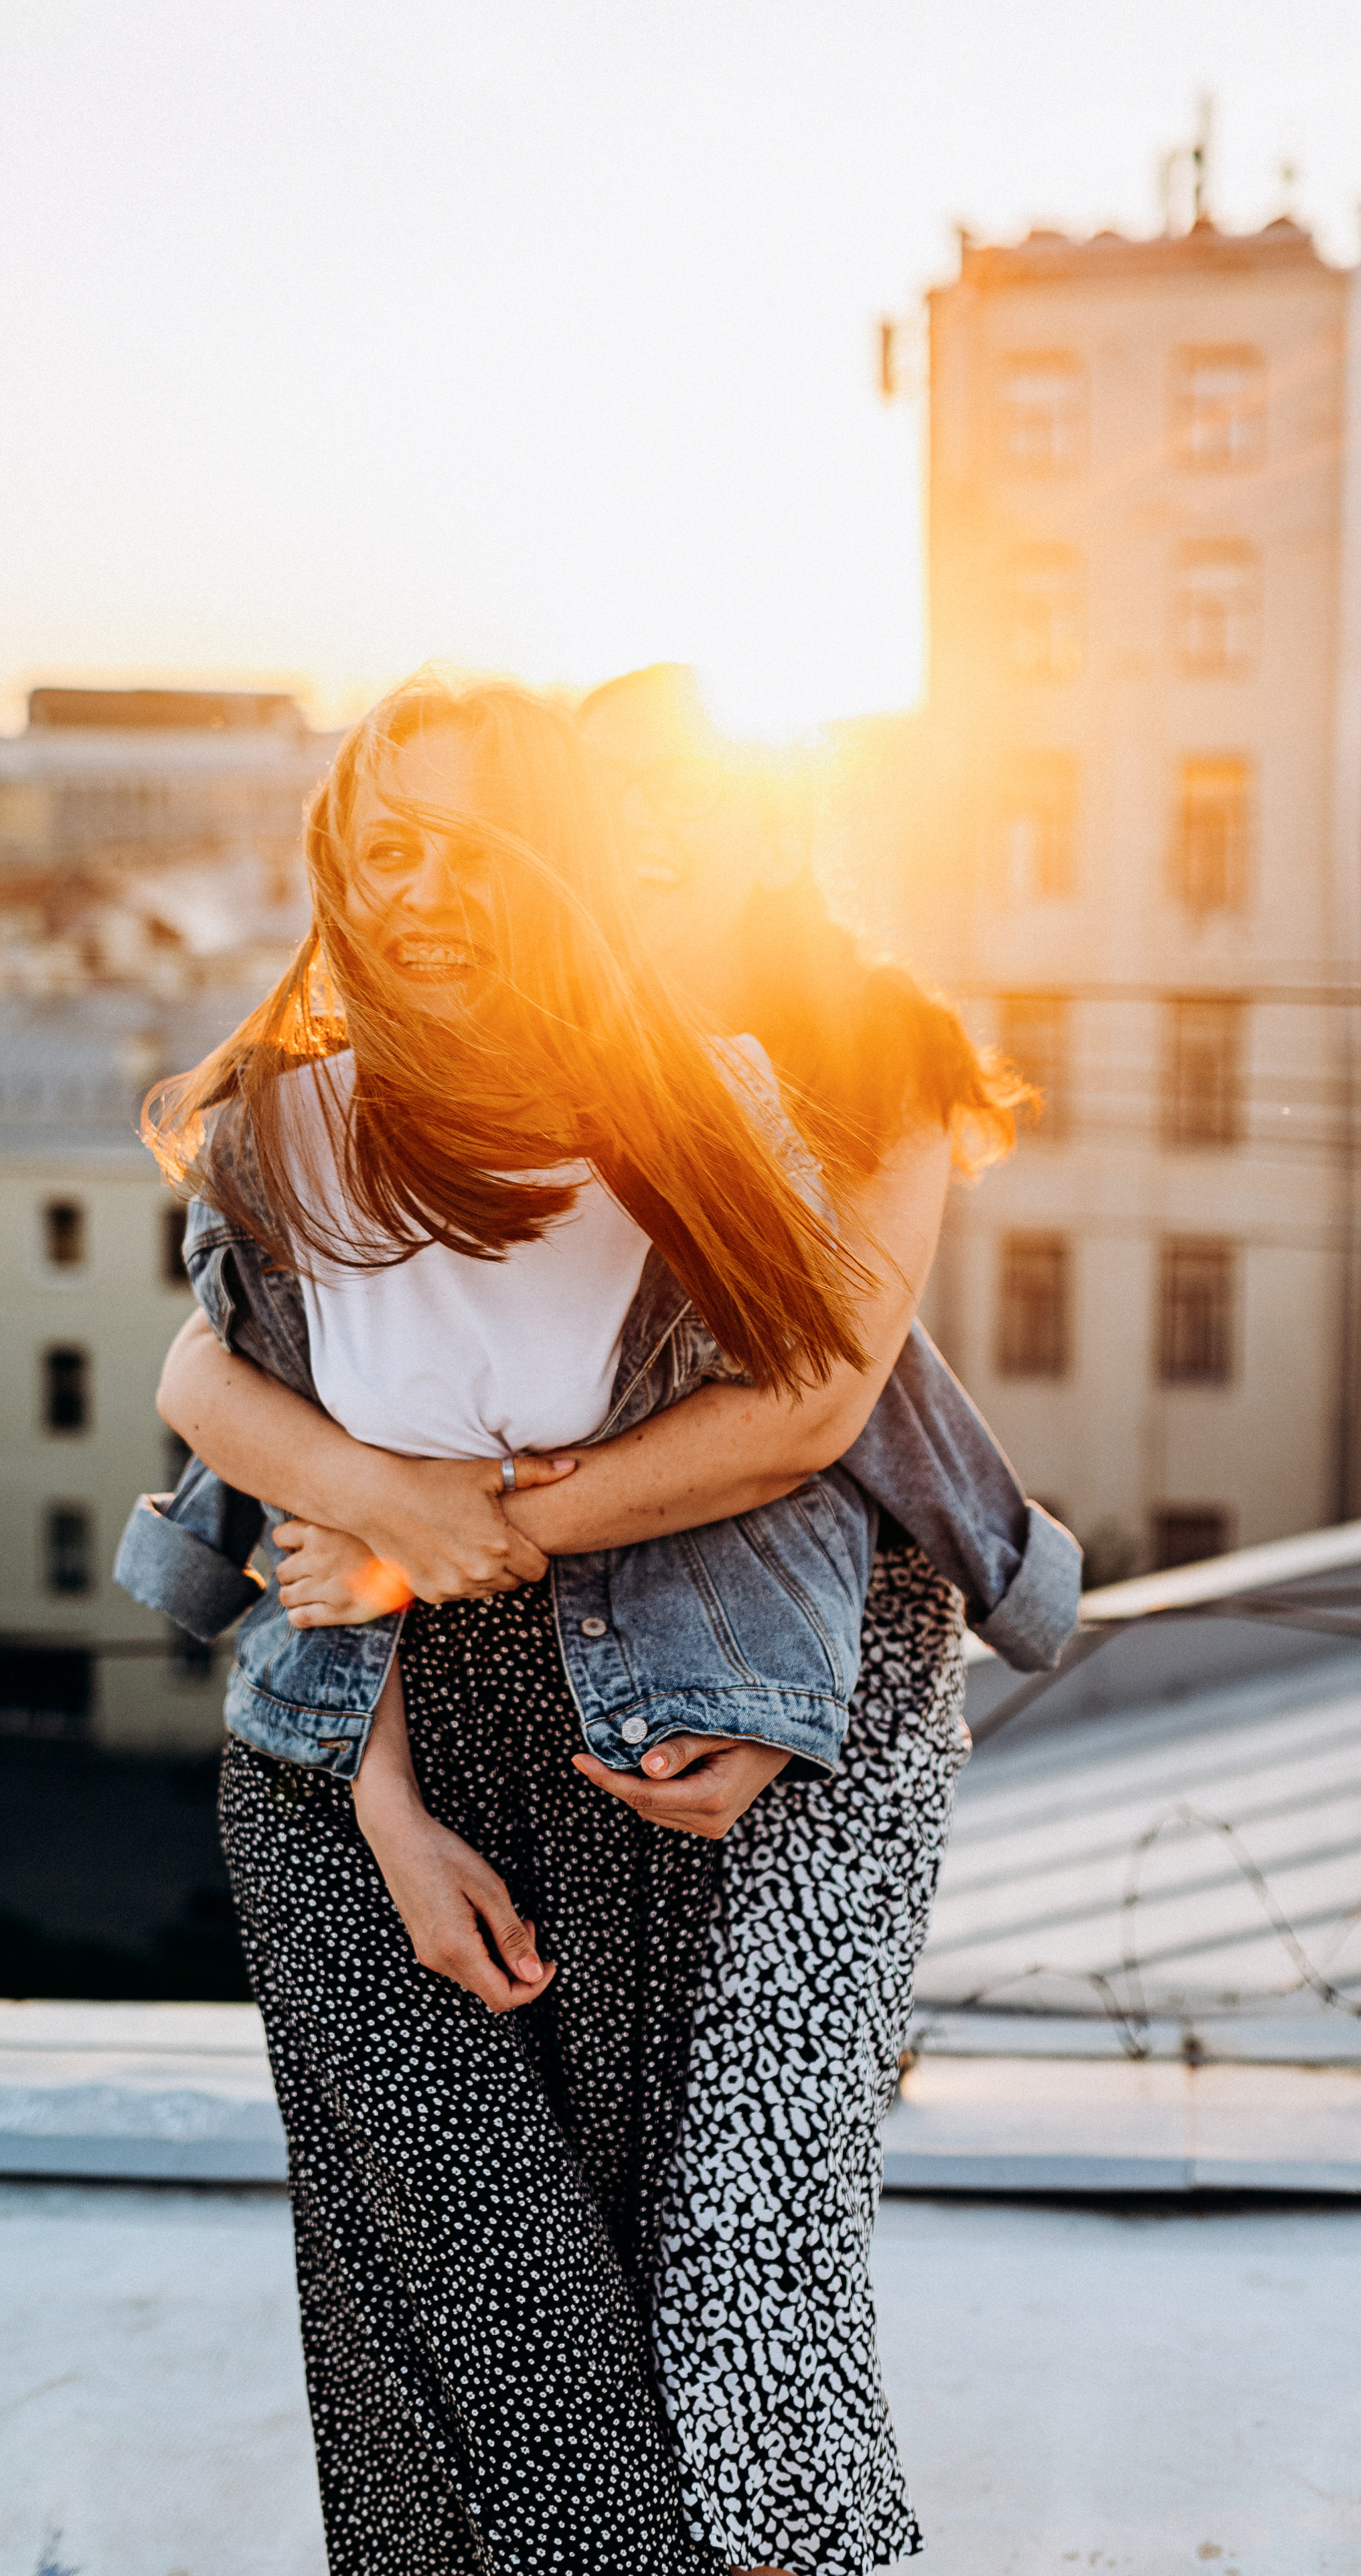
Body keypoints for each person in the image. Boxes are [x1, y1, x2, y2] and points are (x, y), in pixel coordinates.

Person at [118, 672, 1079, 2575]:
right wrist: (392, 1566)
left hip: (707, 1717)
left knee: (706, 2292)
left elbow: (808, 1433)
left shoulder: (781, 1104)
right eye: (389, 847)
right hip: (375, 1738)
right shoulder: (289, 1126)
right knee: (455, 2332)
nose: (438, 886)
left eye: (499, 842)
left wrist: (461, 1534)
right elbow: (235, 1398)